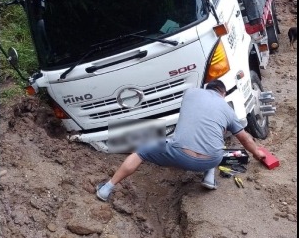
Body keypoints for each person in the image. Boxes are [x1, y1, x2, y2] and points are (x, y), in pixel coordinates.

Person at [96, 79, 267, 202]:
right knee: (216, 136)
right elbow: (244, 138)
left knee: (141, 150)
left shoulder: (191, 93)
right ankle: (208, 176)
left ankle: (106, 188)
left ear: (206, 88)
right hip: (213, 158)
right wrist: (257, 153)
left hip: (180, 154)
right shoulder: (227, 109)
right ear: (223, 93)